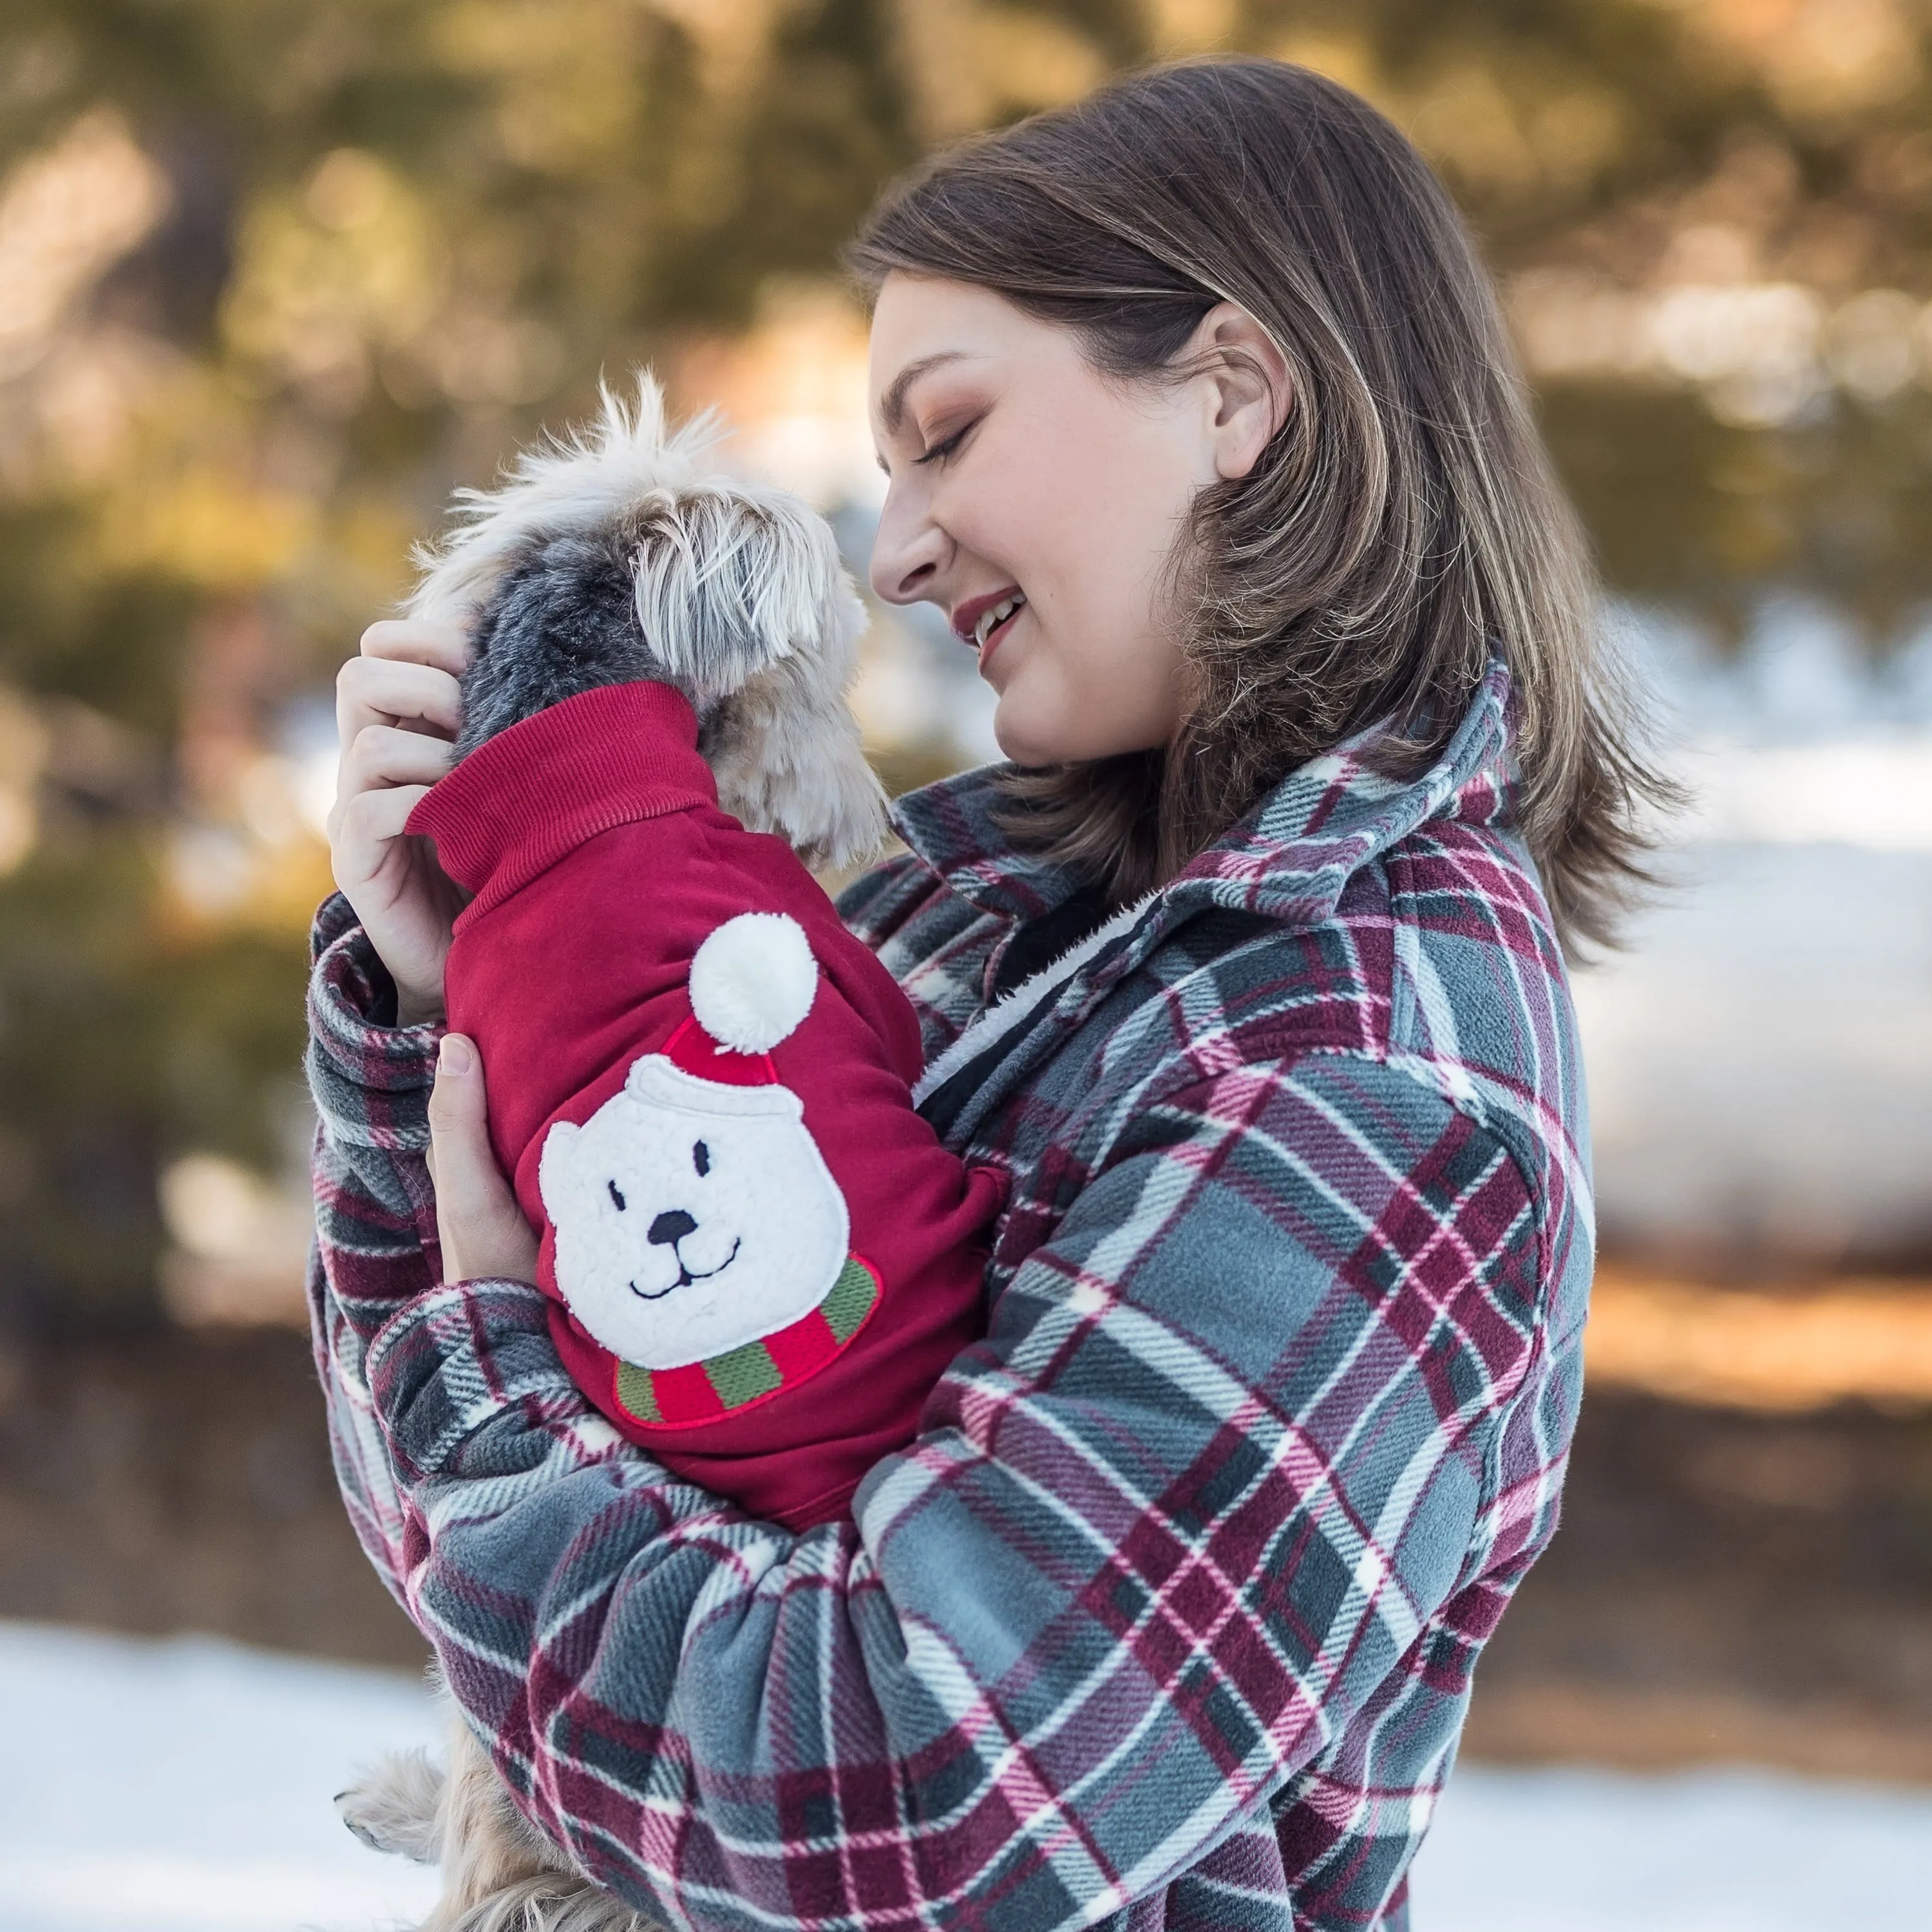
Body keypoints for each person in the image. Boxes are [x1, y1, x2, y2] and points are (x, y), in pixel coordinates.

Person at [310, 58, 1669, 1931]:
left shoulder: (1377, 1075)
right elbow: (463, 1549)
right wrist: (453, 1001)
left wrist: (487, 1373)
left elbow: (898, 1798)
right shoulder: (952, 909)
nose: (895, 552)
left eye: (944, 434)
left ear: (1235, 394)